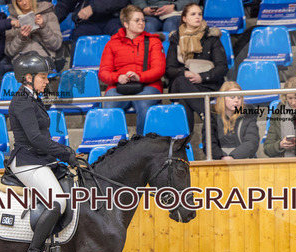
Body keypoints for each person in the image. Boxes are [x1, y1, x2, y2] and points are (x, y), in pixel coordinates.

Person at [7, 52, 78, 252]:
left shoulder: (33, 98)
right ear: (28, 77)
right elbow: (36, 139)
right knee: (58, 202)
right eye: (43, 77)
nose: (47, 81)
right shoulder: (22, 100)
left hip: (40, 159)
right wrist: (65, 153)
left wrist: (63, 153)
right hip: (27, 161)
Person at [99, 5, 165, 135]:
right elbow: (103, 72)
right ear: (126, 24)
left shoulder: (154, 41)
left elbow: (159, 69)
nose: (141, 23)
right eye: (137, 20)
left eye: (143, 20)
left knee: (144, 105)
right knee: (110, 107)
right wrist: (117, 77)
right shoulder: (112, 43)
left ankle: (142, 142)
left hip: (148, 85)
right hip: (119, 86)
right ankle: (116, 144)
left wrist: (139, 77)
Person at [165, 2, 227, 130]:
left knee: (185, 100)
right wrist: (184, 72)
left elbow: (222, 67)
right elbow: (169, 69)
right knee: (182, 80)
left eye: (199, 14)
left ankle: (185, 140)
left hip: (206, 85)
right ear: (184, 18)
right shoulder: (176, 39)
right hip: (181, 84)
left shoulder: (211, 38)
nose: (198, 17)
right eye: (193, 14)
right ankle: (207, 116)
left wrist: (201, 77)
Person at [54, 0, 129, 61]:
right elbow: (64, 5)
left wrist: (93, 7)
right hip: (88, 21)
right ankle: (79, 74)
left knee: (121, 35)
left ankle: (126, 71)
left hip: (115, 18)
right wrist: (52, 21)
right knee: (79, 37)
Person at [202, 81, 259, 160]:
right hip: (219, 160)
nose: (236, 100)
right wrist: (222, 157)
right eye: (232, 97)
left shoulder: (248, 114)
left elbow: (252, 142)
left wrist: (233, 157)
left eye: (239, 97)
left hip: (243, 158)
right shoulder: (212, 115)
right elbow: (209, 143)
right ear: (223, 98)